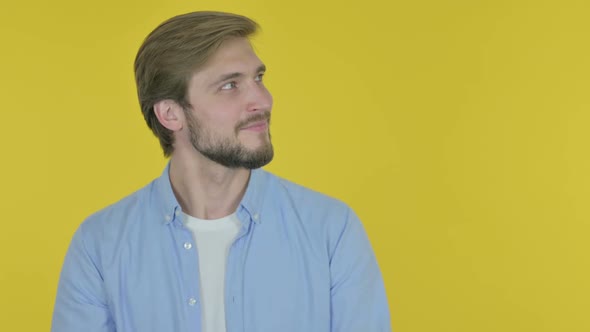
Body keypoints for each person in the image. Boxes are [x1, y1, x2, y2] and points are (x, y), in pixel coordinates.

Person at [51, 11, 391, 332]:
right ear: (171, 114)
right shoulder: (100, 245)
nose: (263, 100)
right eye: (230, 85)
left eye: (258, 78)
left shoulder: (331, 231)